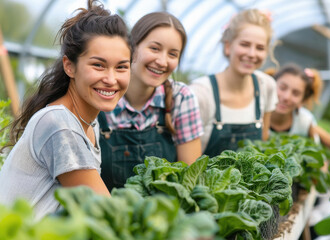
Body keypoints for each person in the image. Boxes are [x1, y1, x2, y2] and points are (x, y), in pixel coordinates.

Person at [0, 0, 132, 219]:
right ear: (69, 66)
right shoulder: (60, 124)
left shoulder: (88, 121)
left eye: (121, 67)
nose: (111, 79)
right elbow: (108, 215)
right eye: (98, 65)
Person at [98, 12, 203, 191]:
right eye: (154, 48)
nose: (162, 61)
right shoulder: (102, 93)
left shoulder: (181, 98)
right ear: (132, 46)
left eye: (172, 54)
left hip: (163, 214)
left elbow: (189, 180)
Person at [190, 9, 277, 157]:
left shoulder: (266, 86)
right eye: (244, 44)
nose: (251, 54)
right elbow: (188, 165)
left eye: (260, 48)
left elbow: (263, 142)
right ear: (228, 46)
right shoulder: (200, 93)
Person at [269, 63, 330, 150]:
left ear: (303, 100)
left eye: (296, 93)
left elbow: (317, 155)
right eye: (282, 88)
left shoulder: (304, 121)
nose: (286, 97)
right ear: (270, 85)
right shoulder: (255, 115)